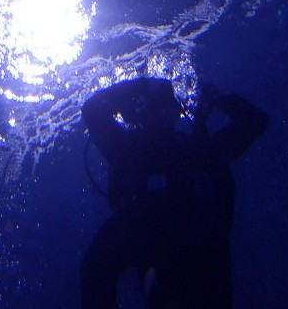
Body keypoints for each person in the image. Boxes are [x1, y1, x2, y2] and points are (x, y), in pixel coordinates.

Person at [80, 76, 268, 309]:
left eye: (163, 105)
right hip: (198, 270)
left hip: (187, 269)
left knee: (98, 265)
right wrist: (215, 97)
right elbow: (254, 120)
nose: (159, 113)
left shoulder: (135, 151)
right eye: (156, 105)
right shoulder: (196, 150)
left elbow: (92, 110)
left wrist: (140, 87)